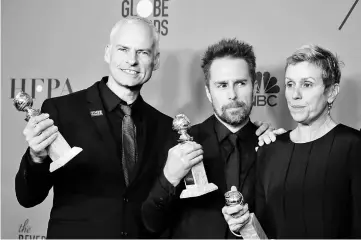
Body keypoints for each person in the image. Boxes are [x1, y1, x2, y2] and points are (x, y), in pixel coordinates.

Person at [15, 18, 272, 239]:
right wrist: (36, 157)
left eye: (143, 52)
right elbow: (28, 197)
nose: (132, 61)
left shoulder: (167, 128)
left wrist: (262, 136)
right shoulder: (62, 110)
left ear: (155, 61)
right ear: (107, 53)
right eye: (123, 49)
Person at [142, 38, 280, 238]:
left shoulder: (271, 145)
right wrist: (169, 179)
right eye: (222, 85)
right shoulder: (179, 144)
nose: (232, 95)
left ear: (254, 86)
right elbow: (151, 222)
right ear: (208, 92)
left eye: (240, 83)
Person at [255, 45, 361, 238]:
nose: (295, 94)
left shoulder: (353, 147)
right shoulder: (269, 149)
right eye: (289, 84)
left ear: (331, 92)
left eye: (307, 84)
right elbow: (263, 228)